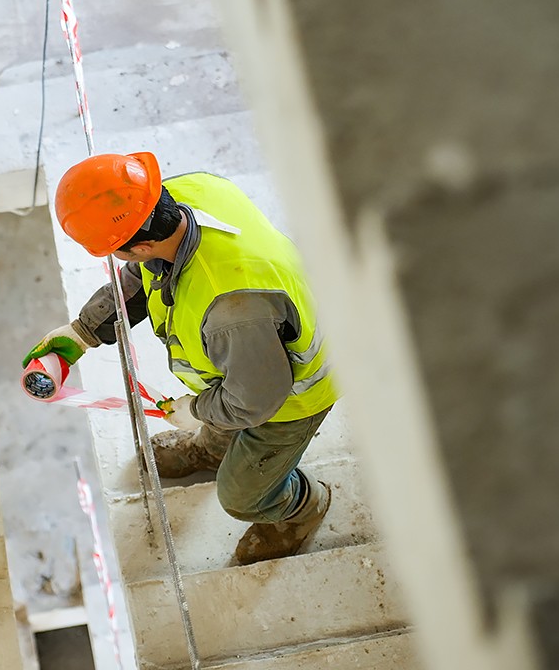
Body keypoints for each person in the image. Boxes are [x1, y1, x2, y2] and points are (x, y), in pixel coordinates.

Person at [23, 151, 340, 564]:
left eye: (117, 250)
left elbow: (255, 400)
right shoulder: (184, 194)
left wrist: (196, 408)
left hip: (293, 396)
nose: (120, 259)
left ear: (141, 244)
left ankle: (300, 508)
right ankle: (213, 450)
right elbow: (141, 275)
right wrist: (84, 331)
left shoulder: (231, 308)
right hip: (245, 366)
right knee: (221, 413)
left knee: (241, 495)